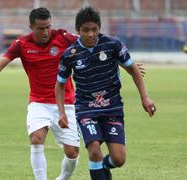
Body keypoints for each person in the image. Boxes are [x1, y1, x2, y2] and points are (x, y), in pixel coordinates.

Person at [0, 8, 80, 180]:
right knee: (36, 139)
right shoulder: (22, 44)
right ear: (31, 26)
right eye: (41, 28)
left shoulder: (63, 38)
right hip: (39, 102)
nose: (46, 31)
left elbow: (96, 43)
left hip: (66, 102)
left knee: (72, 152)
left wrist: (126, 62)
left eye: (48, 26)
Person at [55, 7, 156, 180]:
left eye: (94, 29)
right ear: (78, 30)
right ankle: (99, 168)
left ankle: (103, 166)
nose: (91, 34)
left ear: (99, 28)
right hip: (86, 108)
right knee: (94, 149)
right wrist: (62, 112)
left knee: (119, 159)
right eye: (86, 30)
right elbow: (60, 85)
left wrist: (144, 97)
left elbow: (133, 69)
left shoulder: (112, 44)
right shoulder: (70, 54)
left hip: (113, 107)